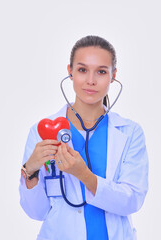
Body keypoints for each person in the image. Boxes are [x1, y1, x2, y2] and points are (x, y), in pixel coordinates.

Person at [19, 35, 148, 240]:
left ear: (113, 75)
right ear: (70, 72)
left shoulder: (129, 132)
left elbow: (132, 201)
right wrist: (31, 170)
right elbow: (37, 212)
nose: (91, 80)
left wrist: (83, 175)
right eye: (82, 70)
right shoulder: (41, 131)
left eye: (101, 72)